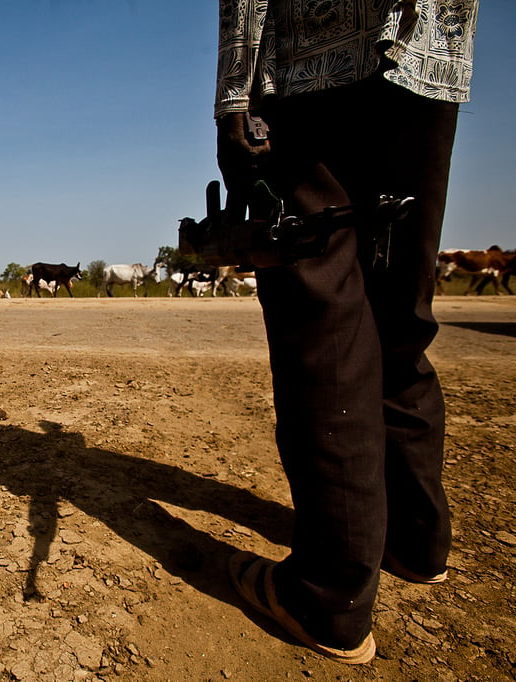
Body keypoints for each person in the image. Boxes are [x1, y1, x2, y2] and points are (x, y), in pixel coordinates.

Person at [214, 0, 478, 665]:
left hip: (314, 71)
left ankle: (327, 598)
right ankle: (415, 540)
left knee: (323, 330)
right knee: (400, 320)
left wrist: (234, 94)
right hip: (431, 61)